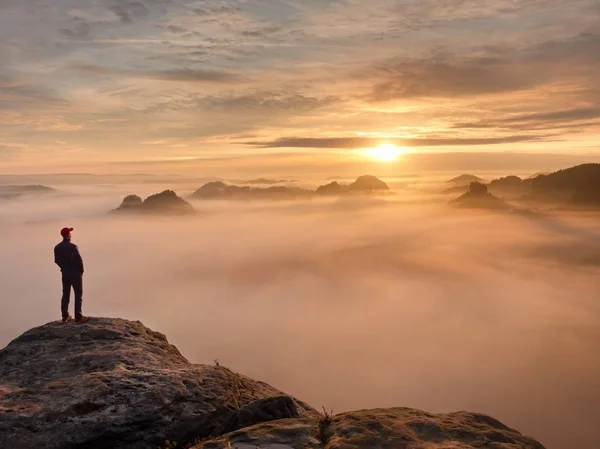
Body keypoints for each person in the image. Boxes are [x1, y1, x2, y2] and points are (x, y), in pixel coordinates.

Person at [54, 227, 89, 324]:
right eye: (70, 232)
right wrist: (81, 271)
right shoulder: (73, 247)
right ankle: (78, 317)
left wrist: (63, 267)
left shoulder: (57, 247)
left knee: (65, 294)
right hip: (75, 273)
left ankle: (65, 316)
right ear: (68, 235)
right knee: (78, 294)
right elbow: (79, 260)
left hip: (65, 273)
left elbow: (56, 261)